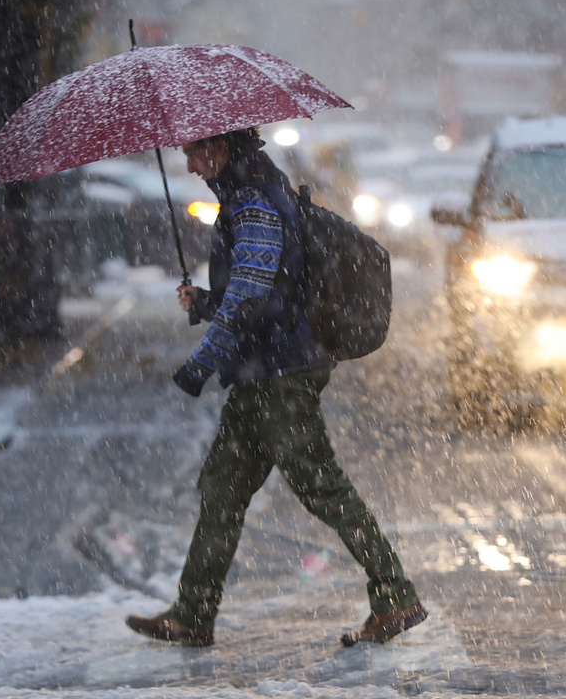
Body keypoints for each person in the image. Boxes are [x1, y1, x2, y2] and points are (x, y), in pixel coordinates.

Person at [126, 128, 426, 647]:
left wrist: (201, 362)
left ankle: (395, 595)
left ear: (219, 148)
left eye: (195, 153)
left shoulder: (255, 203)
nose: (192, 166)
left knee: (322, 487)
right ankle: (193, 613)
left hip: (282, 372)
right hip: (261, 372)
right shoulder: (249, 195)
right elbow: (258, 292)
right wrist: (203, 302)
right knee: (222, 486)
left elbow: (250, 297)